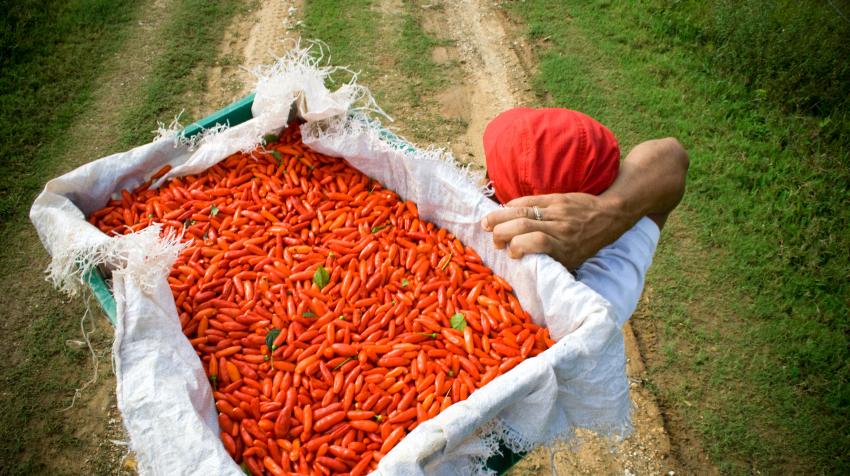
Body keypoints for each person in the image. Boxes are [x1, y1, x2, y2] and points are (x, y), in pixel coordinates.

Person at [479, 107, 688, 324]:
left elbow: (672, 157)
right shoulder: (605, 291)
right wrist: (607, 209)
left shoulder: (476, 238)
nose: (484, 183)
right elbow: (673, 156)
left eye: (490, 181)